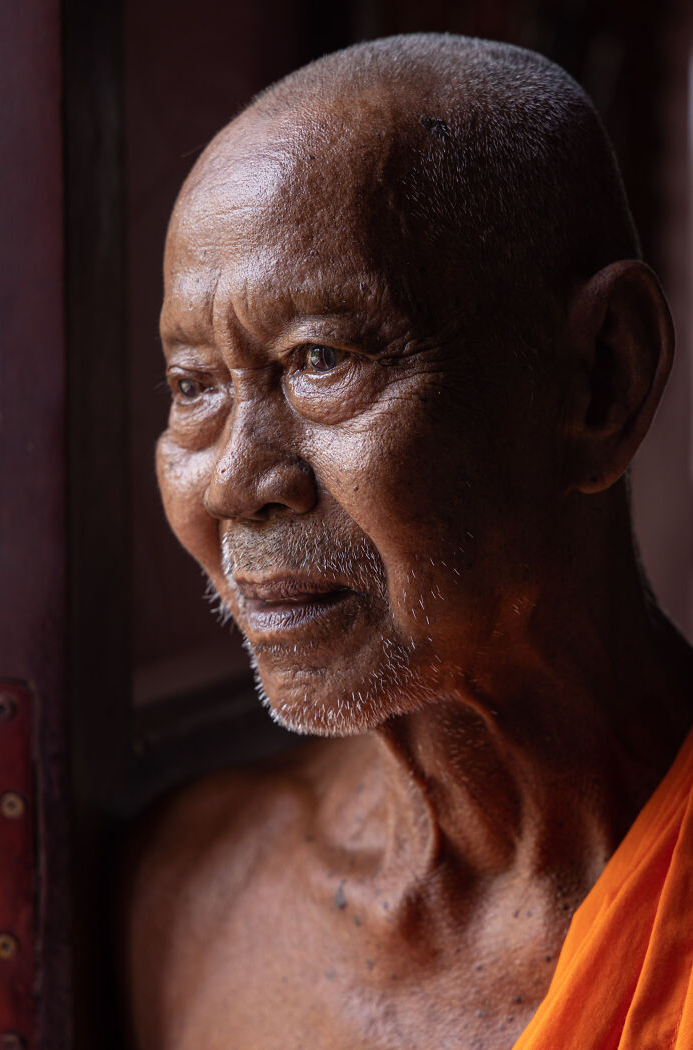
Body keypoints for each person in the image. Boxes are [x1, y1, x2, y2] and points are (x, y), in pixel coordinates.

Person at [122, 34, 693, 1050]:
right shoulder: (191, 901)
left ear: (602, 381)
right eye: (194, 388)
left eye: (320, 358)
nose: (236, 482)